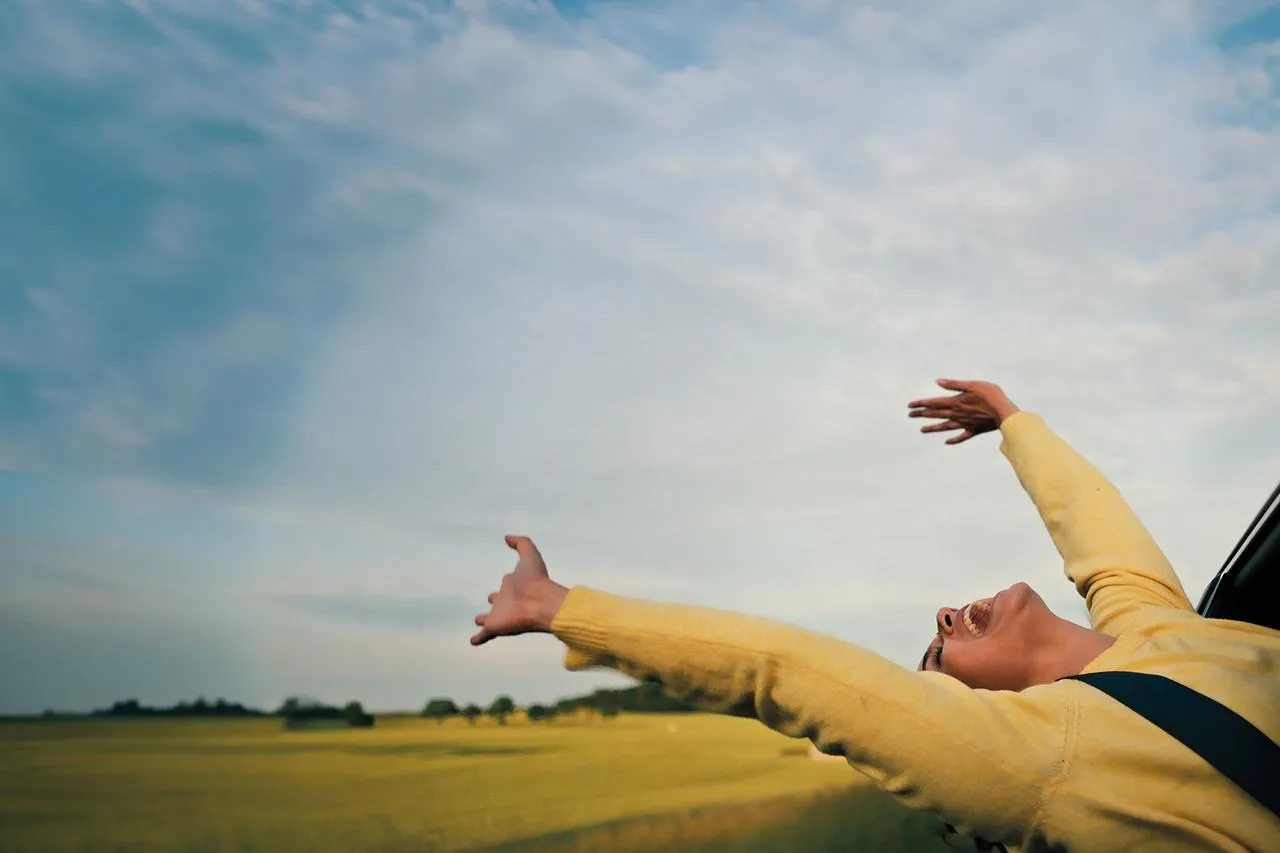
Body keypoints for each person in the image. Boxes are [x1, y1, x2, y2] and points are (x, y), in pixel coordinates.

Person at [470, 379, 1280, 852]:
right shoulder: (1048, 760)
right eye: (936, 655)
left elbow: (1097, 529)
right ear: (981, 719)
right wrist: (561, 608)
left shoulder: (1156, 628)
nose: (942, 616)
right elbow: (788, 671)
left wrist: (1012, 421)